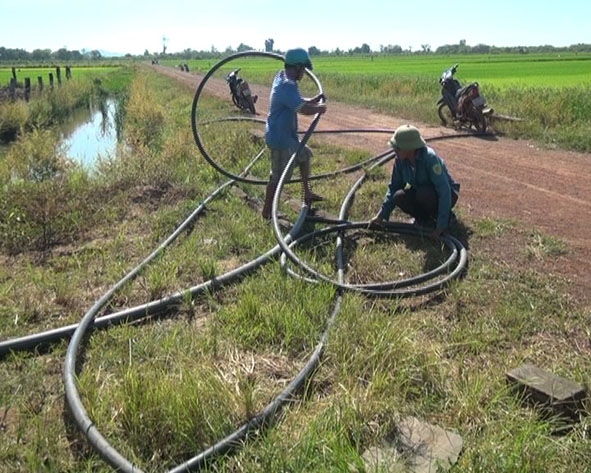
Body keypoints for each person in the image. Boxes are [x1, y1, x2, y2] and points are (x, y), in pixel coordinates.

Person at [262, 48, 327, 220]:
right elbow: (301, 108)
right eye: (304, 69)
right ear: (297, 67)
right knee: (278, 178)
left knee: (304, 155)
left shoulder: (284, 78)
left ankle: (307, 193)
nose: (304, 73)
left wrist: (312, 100)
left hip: (286, 136)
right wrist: (319, 108)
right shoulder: (286, 86)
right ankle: (267, 212)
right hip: (280, 139)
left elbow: (296, 101)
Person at [370, 124, 460, 238]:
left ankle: (446, 218)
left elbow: (444, 190)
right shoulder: (400, 161)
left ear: (409, 148)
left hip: (446, 195)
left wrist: (441, 225)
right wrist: (381, 215)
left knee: (423, 193)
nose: (394, 150)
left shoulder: (430, 158)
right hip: (422, 194)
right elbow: (394, 187)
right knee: (399, 196)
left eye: (397, 147)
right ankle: (424, 220)